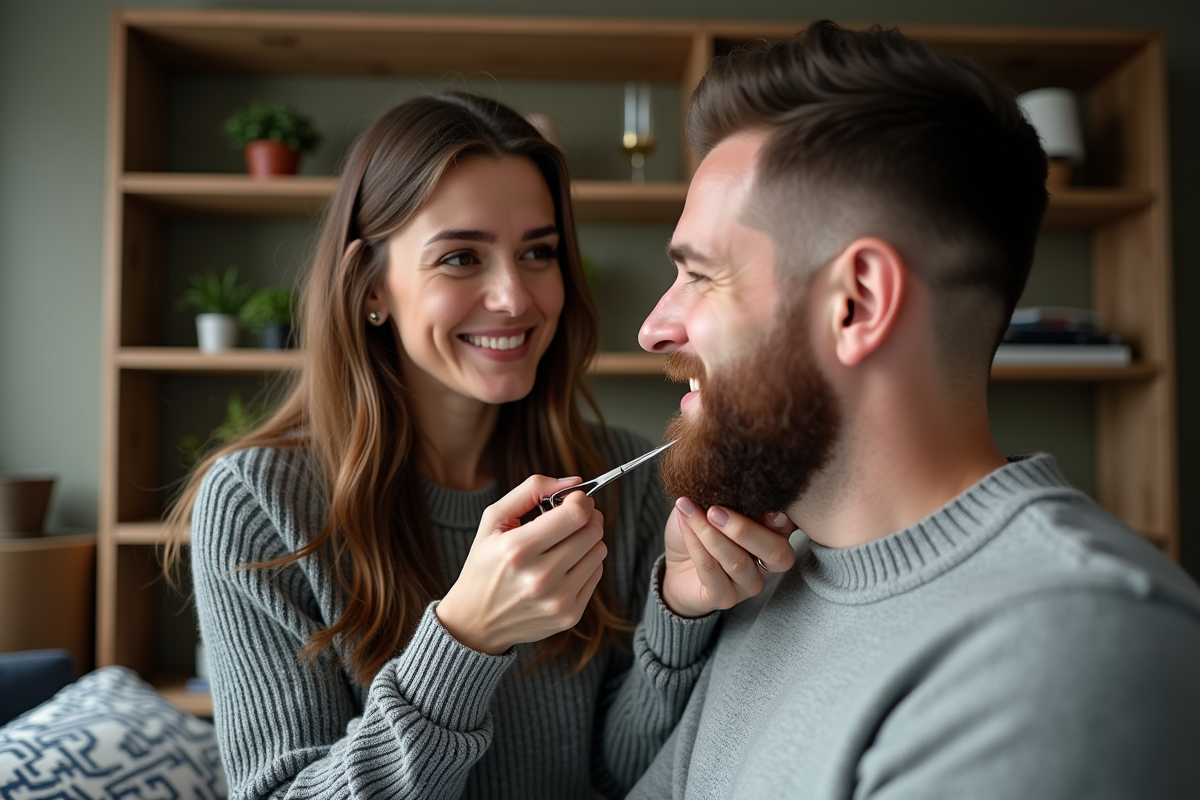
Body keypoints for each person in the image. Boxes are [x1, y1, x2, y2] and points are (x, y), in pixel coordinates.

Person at [163, 93, 793, 800]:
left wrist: (678, 610)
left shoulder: (626, 475)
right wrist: (464, 640)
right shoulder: (256, 503)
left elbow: (616, 775)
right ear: (372, 288)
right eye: (461, 257)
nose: (514, 297)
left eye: (538, 252)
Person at [628, 21, 1200, 799]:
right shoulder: (779, 583)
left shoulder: (1068, 652)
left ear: (857, 304)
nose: (654, 328)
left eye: (699, 276)